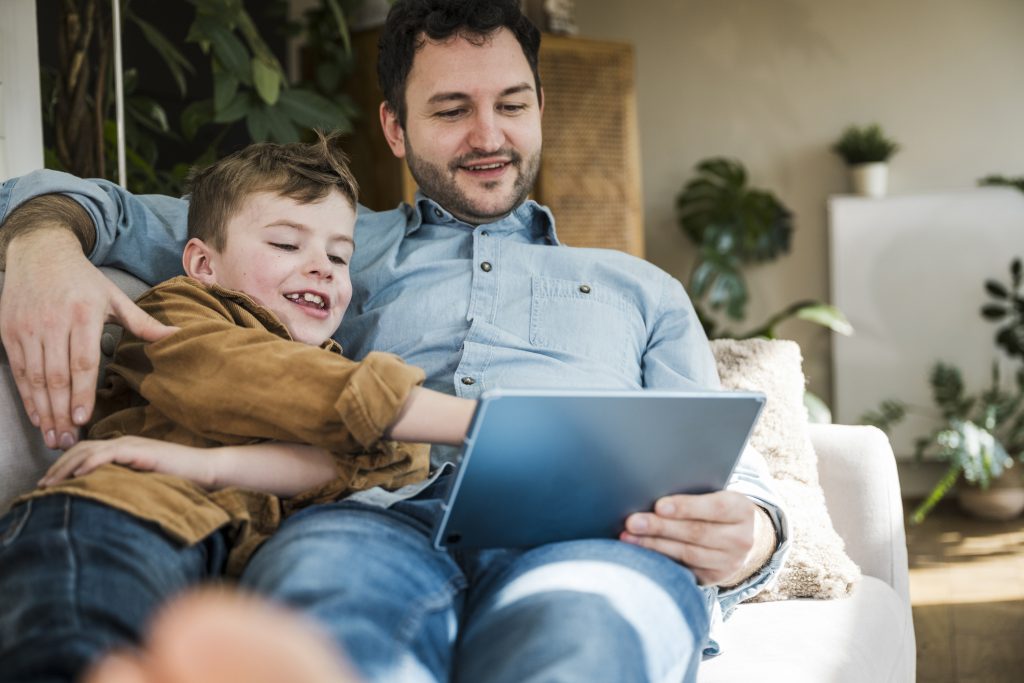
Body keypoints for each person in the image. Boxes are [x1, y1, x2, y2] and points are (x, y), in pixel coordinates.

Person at [0, 1, 790, 681]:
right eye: (450, 110)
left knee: (579, 644)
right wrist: (40, 249)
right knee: (337, 629)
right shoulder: (329, 240)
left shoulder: (640, 287)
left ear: (540, 107)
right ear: (396, 128)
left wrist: (752, 535)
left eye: (511, 105)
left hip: (588, 533)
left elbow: (724, 458)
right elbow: (89, 204)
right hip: (367, 514)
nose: (489, 135)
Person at [0, 133, 475, 681]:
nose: (322, 266)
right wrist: (475, 422)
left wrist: (214, 466)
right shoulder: (177, 314)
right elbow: (243, 376)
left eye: (339, 255)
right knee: (78, 643)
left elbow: (381, 459)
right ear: (203, 263)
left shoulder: (330, 365)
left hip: (228, 561)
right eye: (285, 245)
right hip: (121, 512)